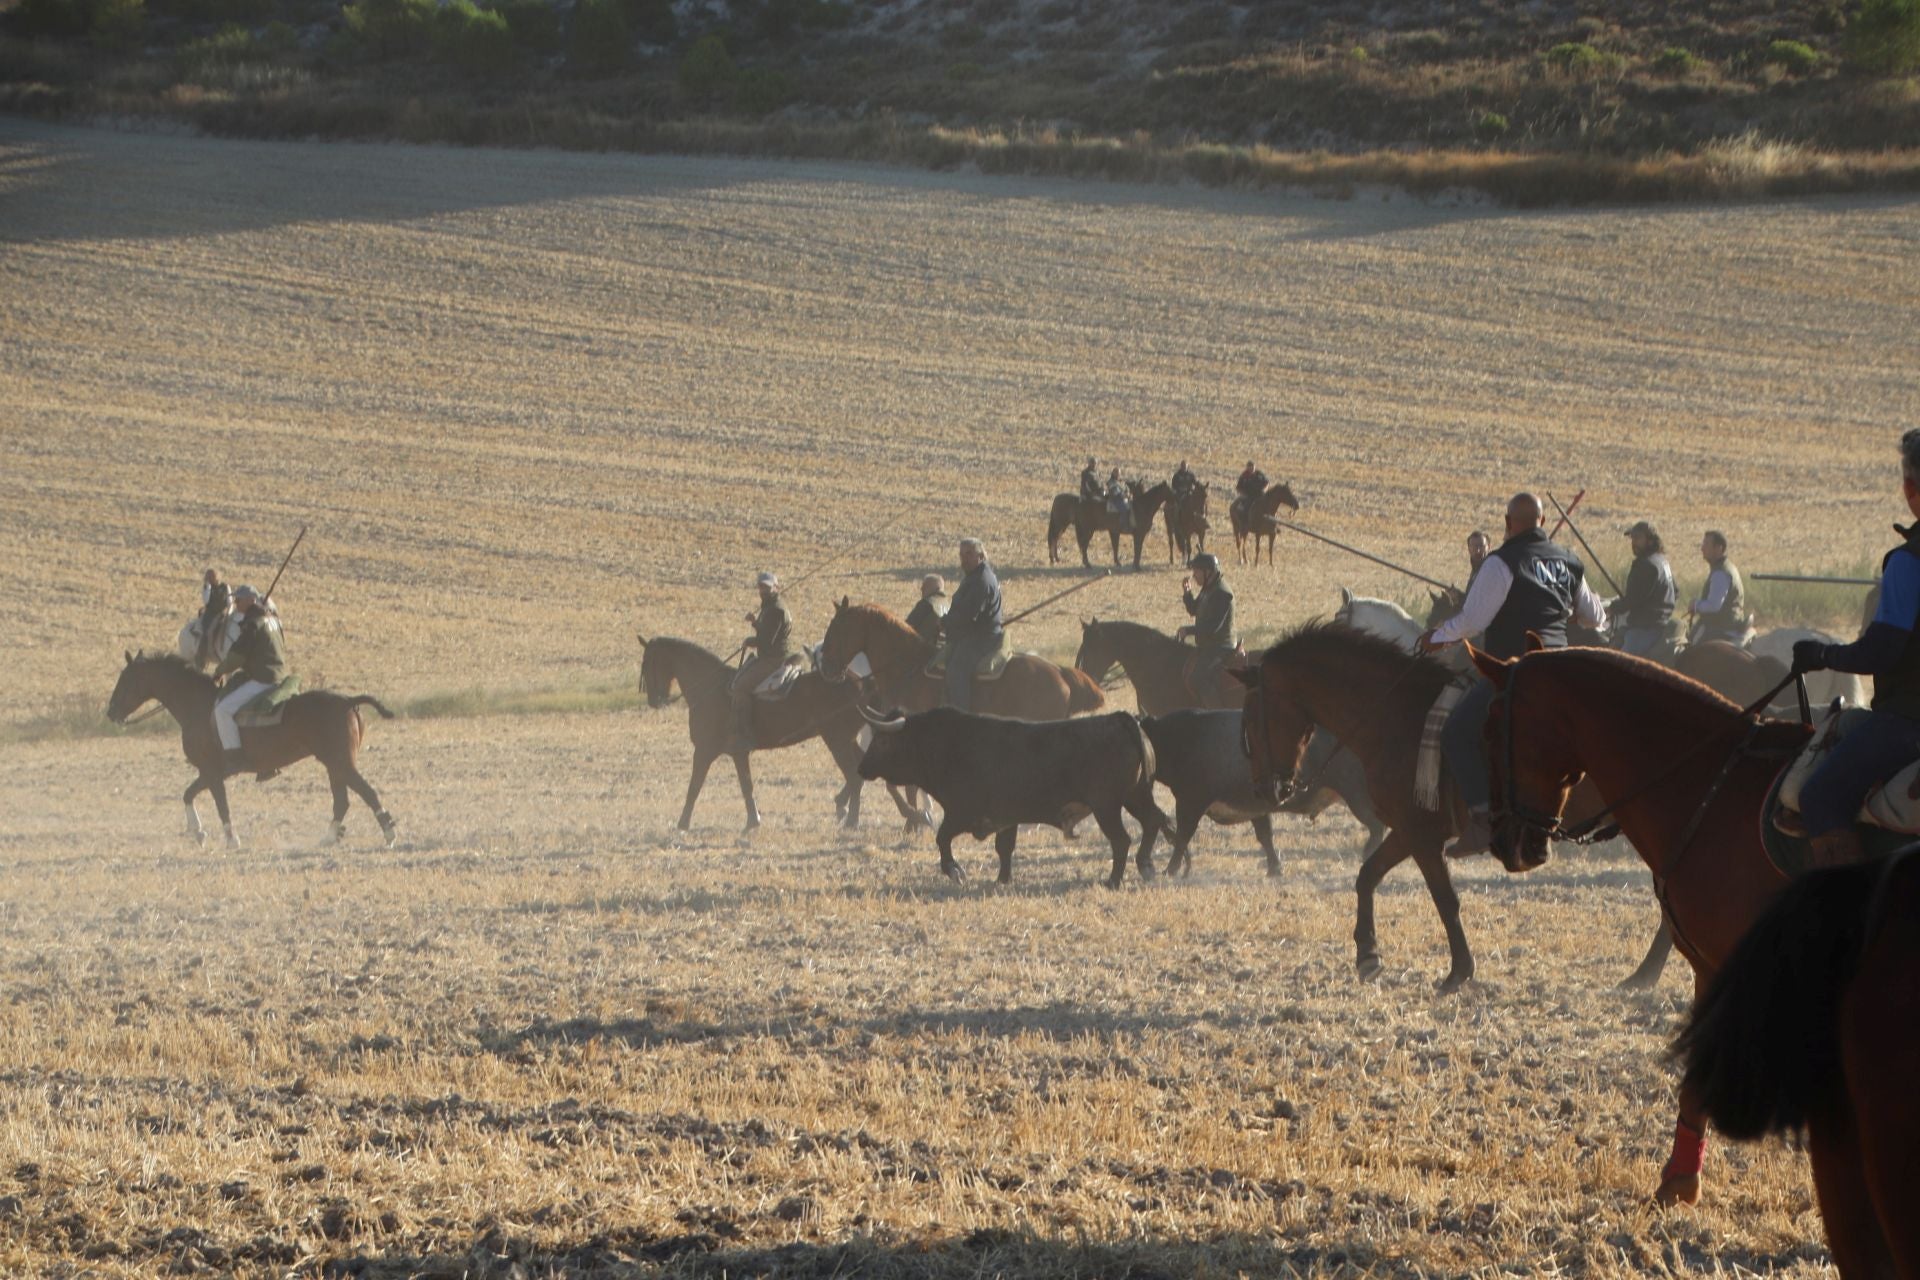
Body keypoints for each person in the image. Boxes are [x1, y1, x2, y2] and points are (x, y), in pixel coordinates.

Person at [1419, 493, 1609, 855]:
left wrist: (1437, 637)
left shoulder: (1501, 562)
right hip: (1559, 671)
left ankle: (1479, 822)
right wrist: (1566, 613)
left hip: (1515, 674)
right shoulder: (1568, 560)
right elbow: (1595, 616)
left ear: (1507, 524)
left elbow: (1474, 622)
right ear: (1543, 521)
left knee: (1457, 733)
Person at [1792, 429, 1920, 868]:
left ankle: (1847, 925)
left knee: (1820, 796)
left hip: (1910, 719)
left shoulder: (1909, 563)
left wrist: (1824, 656)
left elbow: (1881, 652)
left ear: (1909, 488)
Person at [211, 584, 289, 776]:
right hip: (280, 674)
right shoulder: (273, 620)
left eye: (239, 600)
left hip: (263, 679)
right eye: (236, 599)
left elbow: (237, 656)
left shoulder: (253, 623)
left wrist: (219, 671)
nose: (236, 603)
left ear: (250, 600)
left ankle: (234, 758)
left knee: (222, 710)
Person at [730, 571, 793, 755]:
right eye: (761, 587)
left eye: (766, 587)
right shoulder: (771, 607)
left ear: (776, 587)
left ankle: (746, 735)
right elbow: (767, 632)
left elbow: (767, 641)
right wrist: (755, 623)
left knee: (740, 686)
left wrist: (750, 640)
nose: (763, 590)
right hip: (771, 655)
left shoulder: (775, 610)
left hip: (773, 659)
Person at [942, 538, 1003, 712]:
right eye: (961, 555)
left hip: (981, 638)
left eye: (969, 554)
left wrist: (944, 623)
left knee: (956, 671)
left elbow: (967, 615)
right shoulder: (975, 576)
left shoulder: (981, 580)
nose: (964, 559)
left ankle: (960, 715)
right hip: (975, 634)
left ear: (981, 555)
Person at [1176, 552, 1235, 698]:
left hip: (1220, 647)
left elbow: (1213, 628)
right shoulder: (1209, 588)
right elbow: (1194, 609)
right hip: (1208, 645)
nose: (1193, 575)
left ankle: (1215, 711)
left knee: (1198, 679)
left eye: (1196, 571)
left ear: (1207, 572)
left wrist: (1188, 630)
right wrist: (1187, 592)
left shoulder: (1222, 593)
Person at [1617, 521, 1677, 658]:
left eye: (1637, 538)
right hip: (1661, 625)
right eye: (1632, 538)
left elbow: (1633, 599)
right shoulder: (1662, 561)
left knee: (1620, 669)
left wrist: (1612, 607)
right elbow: (1676, 592)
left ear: (1650, 540)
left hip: (1643, 630)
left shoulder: (1646, 564)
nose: (1633, 542)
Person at [1688, 530, 1749, 645]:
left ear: (1718, 548)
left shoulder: (1720, 574)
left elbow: (1714, 606)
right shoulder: (1726, 567)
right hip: (1726, 624)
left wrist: (1695, 605)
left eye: (1706, 545)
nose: (1702, 549)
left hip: (1722, 629)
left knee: (1691, 652)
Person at [906, 574, 946, 645]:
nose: (921, 589)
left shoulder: (926, 603)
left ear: (936, 588)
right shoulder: (949, 606)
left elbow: (907, 627)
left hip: (924, 650)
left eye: (925, 586)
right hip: (944, 652)